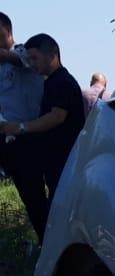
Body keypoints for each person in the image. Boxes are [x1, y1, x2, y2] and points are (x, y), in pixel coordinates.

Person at [0, 33, 84, 243]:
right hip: (55, 160)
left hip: (65, 159)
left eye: (35, 58)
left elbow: (56, 117)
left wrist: (20, 127)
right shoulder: (51, 82)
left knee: (63, 209)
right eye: (30, 59)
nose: (32, 64)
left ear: (53, 54)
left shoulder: (62, 82)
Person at [0, 12, 44, 239]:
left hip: (35, 136)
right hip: (11, 140)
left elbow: (18, 60)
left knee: (47, 198)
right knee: (30, 199)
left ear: (7, 30)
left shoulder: (26, 53)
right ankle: (45, 243)